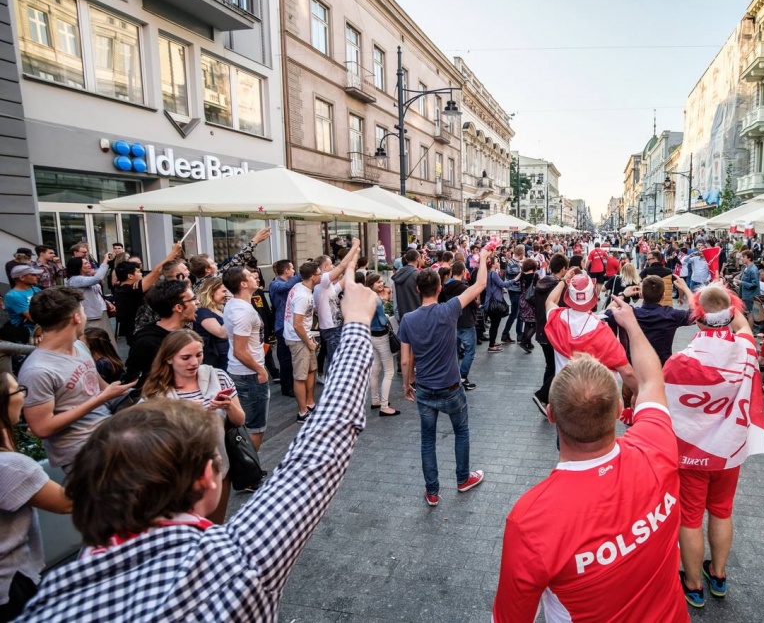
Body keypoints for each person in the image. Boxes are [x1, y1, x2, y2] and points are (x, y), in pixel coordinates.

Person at [16, 260, 378, 622]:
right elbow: (315, 456)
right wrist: (358, 324)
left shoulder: (51, 600)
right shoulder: (233, 565)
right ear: (207, 479)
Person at [492, 298, 686, 622]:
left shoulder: (530, 522)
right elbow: (652, 380)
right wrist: (631, 324)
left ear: (551, 415)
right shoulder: (657, 446)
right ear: (617, 413)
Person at [664, 286, 764, 608]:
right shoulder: (747, 349)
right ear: (732, 314)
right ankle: (718, 575)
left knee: (690, 518)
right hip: (730, 452)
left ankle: (693, 584)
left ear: (697, 318)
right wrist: (727, 304)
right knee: (722, 511)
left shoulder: (680, 362)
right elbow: (744, 326)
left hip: (691, 455)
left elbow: (660, 407)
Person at [399, 247, 490, 507]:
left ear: (418, 290)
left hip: (425, 389)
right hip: (451, 387)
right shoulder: (449, 309)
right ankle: (463, 479)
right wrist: (482, 258)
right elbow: (480, 283)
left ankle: (432, 492)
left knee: (427, 439)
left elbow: (406, 359)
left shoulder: (408, 320)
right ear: (439, 288)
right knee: (461, 431)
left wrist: (407, 385)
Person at [20, 288, 135, 474]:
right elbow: (42, 428)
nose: (85, 315)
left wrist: (136, 393)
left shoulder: (80, 346)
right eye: (83, 310)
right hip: (82, 455)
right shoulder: (37, 370)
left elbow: (100, 388)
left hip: (111, 437)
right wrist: (101, 398)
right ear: (76, 318)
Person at [141, 330, 247, 520]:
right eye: (185, 357)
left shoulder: (218, 377)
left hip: (218, 469)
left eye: (199, 355)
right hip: (179, 477)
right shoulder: (156, 393)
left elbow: (240, 420)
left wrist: (229, 406)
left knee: (214, 525)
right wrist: (186, 414)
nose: (194, 362)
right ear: (168, 359)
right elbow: (148, 438)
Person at [0, 371, 72, 620]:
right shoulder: (11, 466)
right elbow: (67, 504)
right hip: (9, 581)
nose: (23, 396)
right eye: (18, 390)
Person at [544, 273, 638, 392]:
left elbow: (550, 301)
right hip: (592, 397)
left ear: (569, 297)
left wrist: (563, 280)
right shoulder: (601, 330)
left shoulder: (556, 318)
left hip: (562, 394)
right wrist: (637, 393)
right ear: (593, 296)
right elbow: (628, 372)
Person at [222, 266, 271, 450]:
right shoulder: (244, 312)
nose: (255, 277)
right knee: (255, 426)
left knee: (245, 423)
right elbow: (239, 351)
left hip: (241, 372)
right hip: (249, 374)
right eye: (250, 275)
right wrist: (260, 370)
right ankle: (251, 469)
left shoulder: (234, 305)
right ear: (243, 284)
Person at [125, 281, 196, 390]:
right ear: (179, 308)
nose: (198, 302)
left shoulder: (186, 332)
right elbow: (138, 380)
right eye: (193, 300)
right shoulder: (147, 342)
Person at [612, 276, 694, 365]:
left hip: (635, 365)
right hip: (661, 366)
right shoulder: (671, 315)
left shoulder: (630, 313)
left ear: (641, 295)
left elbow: (604, 313)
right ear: (663, 296)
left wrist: (623, 295)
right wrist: (685, 288)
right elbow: (695, 314)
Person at [283, 261, 322, 423]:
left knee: (311, 369)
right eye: (319, 274)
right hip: (299, 339)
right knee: (300, 376)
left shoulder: (301, 287)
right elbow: (297, 324)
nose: (321, 276)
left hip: (305, 336)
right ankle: (302, 412)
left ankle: (310, 403)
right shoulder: (302, 296)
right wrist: (309, 342)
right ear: (313, 277)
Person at [530, 254, 570, 412]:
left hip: (541, 330)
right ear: (563, 269)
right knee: (558, 367)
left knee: (550, 366)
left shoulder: (542, 281)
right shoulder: (558, 287)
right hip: (553, 332)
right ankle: (542, 396)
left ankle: (548, 400)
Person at [439, 262, 479, 391]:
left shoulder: (445, 287)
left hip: (451, 322)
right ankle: (463, 376)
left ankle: (454, 377)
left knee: (454, 351)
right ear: (462, 272)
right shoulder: (463, 288)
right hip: (466, 321)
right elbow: (474, 304)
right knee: (470, 351)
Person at [364, 273, 398, 416]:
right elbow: (383, 321)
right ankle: (384, 406)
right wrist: (385, 315)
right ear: (371, 284)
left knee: (376, 369)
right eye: (378, 282)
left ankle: (375, 400)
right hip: (381, 336)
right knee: (389, 371)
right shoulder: (376, 300)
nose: (381, 284)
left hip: (371, 335)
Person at [269, 260, 301, 399]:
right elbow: (286, 286)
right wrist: (303, 274)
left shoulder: (289, 284)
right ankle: (286, 387)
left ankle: (291, 384)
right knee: (285, 358)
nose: (294, 271)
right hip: (281, 326)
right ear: (286, 270)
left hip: (288, 324)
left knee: (290, 358)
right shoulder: (275, 284)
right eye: (292, 269)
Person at [313, 253, 350, 374]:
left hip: (335, 327)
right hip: (331, 329)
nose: (333, 266)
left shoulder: (328, 286)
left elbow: (345, 277)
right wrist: (355, 247)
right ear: (323, 268)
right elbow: (342, 266)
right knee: (334, 360)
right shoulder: (323, 281)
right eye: (330, 264)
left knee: (334, 359)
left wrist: (353, 261)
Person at [65, 254, 114, 341]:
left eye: (88, 263)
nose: (89, 265)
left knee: (107, 341)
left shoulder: (87, 277)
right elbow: (98, 278)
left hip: (100, 313)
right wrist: (105, 261)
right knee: (97, 342)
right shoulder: (75, 280)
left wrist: (107, 303)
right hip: (91, 317)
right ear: (78, 266)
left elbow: (96, 294)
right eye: (85, 263)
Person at [194, 277, 230, 371]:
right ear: (212, 291)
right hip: (218, 361)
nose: (227, 295)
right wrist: (232, 309)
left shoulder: (219, 309)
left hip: (228, 357)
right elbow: (222, 333)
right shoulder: (202, 312)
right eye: (224, 291)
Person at [484, 256, 518, 353]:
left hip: (490, 301)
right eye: (497, 261)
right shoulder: (493, 274)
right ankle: (491, 345)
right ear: (493, 264)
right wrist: (514, 279)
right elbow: (503, 284)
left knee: (494, 324)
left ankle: (493, 341)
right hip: (494, 302)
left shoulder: (489, 273)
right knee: (495, 324)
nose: (498, 263)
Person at [3, 265, 44, 336]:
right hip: (29, 331)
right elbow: (33, 318)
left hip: (43, 326)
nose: (38, 277)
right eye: (33, 275)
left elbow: (50, 305)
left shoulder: (36, 289)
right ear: (22, 278)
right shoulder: (13, 296)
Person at [500, 245, 526, 343]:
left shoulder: (513, 262)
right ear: (521, 252)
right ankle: (506, 333)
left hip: (515, 290)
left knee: (519, 313)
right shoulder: (513, 263)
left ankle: (519, 334)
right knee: (515, 313)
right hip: (515, 290)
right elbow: (518, 276)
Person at [516, 259, 539, 353]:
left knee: (527, 322)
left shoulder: (521, 275)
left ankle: (529, 343)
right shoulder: (535, 276)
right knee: (535, 323)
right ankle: (525, 341)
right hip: (531, 300)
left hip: (522, 299)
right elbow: (539, 287)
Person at [737, 250, 761, 314]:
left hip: (750, 296)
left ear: (749, 258)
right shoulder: (746, 267)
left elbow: (754, 284)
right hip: (745, 295)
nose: (741, 258)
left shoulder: (753, 270)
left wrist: (741, 282)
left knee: (750, 314)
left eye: (743, 256)